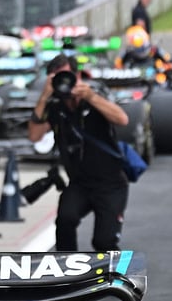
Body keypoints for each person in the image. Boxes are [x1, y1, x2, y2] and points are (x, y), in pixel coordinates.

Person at [27, 54, 131, 252]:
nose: (64, 82)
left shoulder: (94, 94)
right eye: (57, 77)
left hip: (110, 184)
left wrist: (90, 97)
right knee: (65, 220)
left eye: (66, 76)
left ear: (77, 75)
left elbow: (122, 119)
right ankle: (67, 273)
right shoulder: (55, 106)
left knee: (104, 242)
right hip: (79, 183)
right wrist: (44, 96)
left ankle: (109, 280)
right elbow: (34, 136)